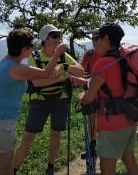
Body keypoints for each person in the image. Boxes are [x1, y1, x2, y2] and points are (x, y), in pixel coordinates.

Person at [0, 28, 67, 175]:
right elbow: (46, 74)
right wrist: (58, 54)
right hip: (1, 120)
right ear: (24, 49)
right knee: (2, 167)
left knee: (6, 166)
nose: (33, 50)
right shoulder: (16, 68)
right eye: (31, 46)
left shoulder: (4, 62)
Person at [12, 24, 84, 175]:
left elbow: (81, 70)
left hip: (60, 100)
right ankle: (12, 170)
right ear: (45, 39)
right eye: (55, 36)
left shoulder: (64, 57)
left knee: (55, 134)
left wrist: (63, 66)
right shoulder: (34, 57)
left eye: (59, 36)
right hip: (39, 101)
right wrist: (61, 78)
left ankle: (50, 168)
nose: (59, 39)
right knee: (28, 137)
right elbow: (37, 82)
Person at [77, 23, 138, 175]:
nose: (94, 41)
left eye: (97, 38)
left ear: (106, 38)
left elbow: (88, 98)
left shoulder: (103, 62)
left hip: (111, 124)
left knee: (106, 169)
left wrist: (80, 97)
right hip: (129, 119)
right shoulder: (124, 59)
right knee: (129, 160)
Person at [79, 28, 102, 159]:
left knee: (102, 120)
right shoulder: (89, 54)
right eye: (92, 38)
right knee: (91, 119)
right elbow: (82, 70)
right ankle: (93, 146)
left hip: (106, 93)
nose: (93, 41)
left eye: (96, 38)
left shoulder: (108, 54)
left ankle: (101, 145)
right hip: (91, 91)